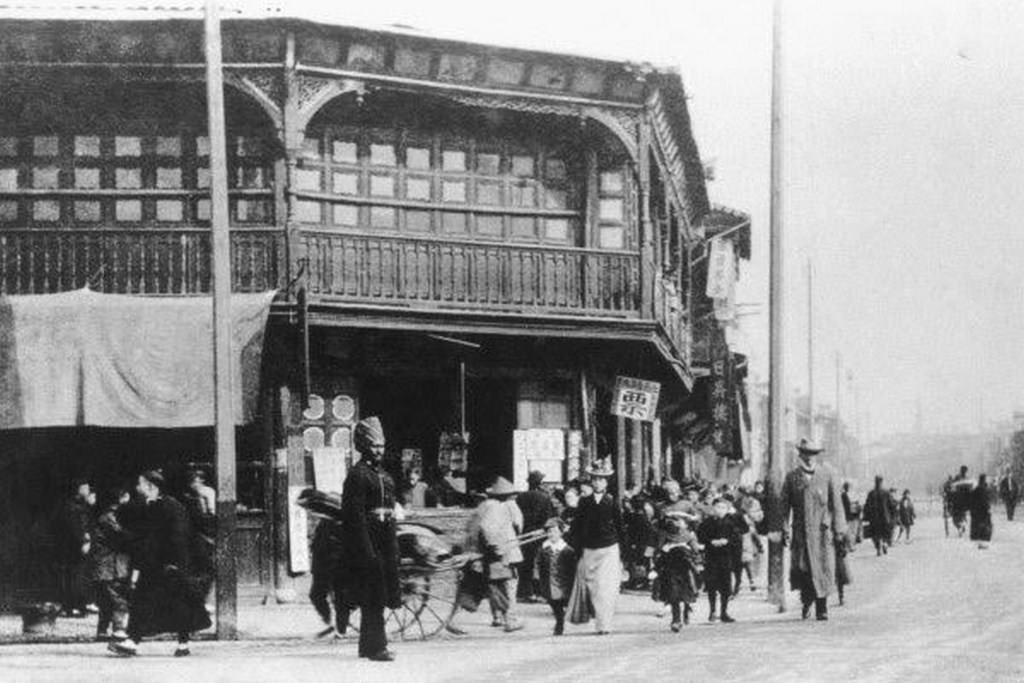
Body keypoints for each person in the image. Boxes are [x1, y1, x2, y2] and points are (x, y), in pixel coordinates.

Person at [108, 470, 211, 657]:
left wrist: (176, 563)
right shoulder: (147, 506)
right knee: (142, 601)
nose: (137, 487)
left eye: (140, 483)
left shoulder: (172, 507)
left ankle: (182, 643)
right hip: (151, 564)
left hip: (169, 565)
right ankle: (133, 640)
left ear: (151, 486)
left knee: (179, 603)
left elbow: (179, 537)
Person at [337, 416, 401, 661]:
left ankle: (367, 646)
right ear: (363, 446)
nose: (379, 450)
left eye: (382, 446)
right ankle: (377, 647)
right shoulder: (358, 475)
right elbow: (355, 516)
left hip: (385, 540)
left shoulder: (384, 476)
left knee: (378, 594)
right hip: (368, 543)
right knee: (373, 595)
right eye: (374, 445)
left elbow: (391, 510)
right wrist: (367, 551)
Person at [770, 438, 846, 622]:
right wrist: (784, 528)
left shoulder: (827, 475)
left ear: (817, 456)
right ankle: (806, 601)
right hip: (801, 532)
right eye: (806, 453)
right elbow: (784, 506)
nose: (809, 457)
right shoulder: (792, 477)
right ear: (800, 455)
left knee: (823, 568)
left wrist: (839, 530)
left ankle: (822, 607)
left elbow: (836, 504)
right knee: (803, 570)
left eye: (813, 454)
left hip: (822, 533)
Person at [567, 459, 623, 635]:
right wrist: (575, 547)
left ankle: (604, 624)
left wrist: (625, 553)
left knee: (606, 586)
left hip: (609, 547)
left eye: (601, 479)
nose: (598, 482)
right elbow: (577, 525)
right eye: (595, 479)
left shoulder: (613, 501)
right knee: (593, 587)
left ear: (606, 482)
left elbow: (620, 527)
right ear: (591, 481)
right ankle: (599, 619)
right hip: (589, 548)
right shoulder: (584, 502)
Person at [88, 486, 131, 642]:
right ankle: (118, 631)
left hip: (106, 565)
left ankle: (102, 631)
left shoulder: (107, 517)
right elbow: (121, 536)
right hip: (109, 566)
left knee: (106, 601)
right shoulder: (110, 518)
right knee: (117, 599)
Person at [305, 496, 349, 639]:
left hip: (335, 564)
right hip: (321, 565)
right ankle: (329, 623)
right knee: (316, 595)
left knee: (341, 597)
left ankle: (341, 629)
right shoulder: (324, 522)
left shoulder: (337, 523)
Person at [697, 496, 744, 623]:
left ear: (727, 509)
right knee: (711, 585)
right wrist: (711, 542)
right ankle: (712, 611)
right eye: (718, 507)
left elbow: (738, 536)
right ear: (713, 508)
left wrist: (727, 541)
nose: (720, 510)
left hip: (726, 556)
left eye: (723, 507)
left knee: (725, 586)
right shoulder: (706, 523)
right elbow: (700, 536)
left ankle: (724, 612)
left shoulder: (731, 522)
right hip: (711, 556)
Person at [652, 515, 702, 631]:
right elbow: (657, 550)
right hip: (669, 570)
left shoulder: (689, 535)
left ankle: (685, 609)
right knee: (673, 594)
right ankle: (676, 619)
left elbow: (696, 551)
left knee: (685, 594)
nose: (677, 524)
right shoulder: (663, 535)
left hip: (685, 570)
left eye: (679, 521)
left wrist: (693, 556)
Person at [57, 479, 96, 618]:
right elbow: (79, 526)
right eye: (85, 488)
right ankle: (76, 605)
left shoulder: (74, 505)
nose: (88, 490)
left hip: (72, 545)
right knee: (77, 575)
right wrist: (84, 541)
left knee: (74, 575)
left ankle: (74, 605)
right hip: (75, 546)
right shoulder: (77, 507)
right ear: (79, 489)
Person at [515, 470, 556, 602]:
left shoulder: (520, 497)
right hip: (540, 534)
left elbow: (517, 517)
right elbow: (548, 517)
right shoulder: (545, 497)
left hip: (524, 534)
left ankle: (524, 593)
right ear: (540, 483)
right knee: (541, 564)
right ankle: (541, 593)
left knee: (525, 564)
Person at [533, 517, 576, 636]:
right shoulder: (543, 549)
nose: (551, 534)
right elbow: (537, 562)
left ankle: (562, 619)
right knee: (554, 603)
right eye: (549, 532)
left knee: (563, 601)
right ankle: (559, 622)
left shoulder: (567, 550)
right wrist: (536, 574)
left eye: (554, 531)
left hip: (563, 583)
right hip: (548, 582)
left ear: (561, 533)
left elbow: (573, 568)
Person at [862, 476, 894, 556]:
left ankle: (879, 547)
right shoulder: (886, 493)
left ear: (875, 482)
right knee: (885, 533)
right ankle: (884, 544)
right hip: (885, 518)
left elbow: (867, 506)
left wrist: (865, 516)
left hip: (874, 518)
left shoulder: (871, 493)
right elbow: (891, 505)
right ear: (881, 482)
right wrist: (892, 515)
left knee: (875, 534)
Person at [970, 474, 993, 549]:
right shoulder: (983, 489)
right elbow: (985, 501)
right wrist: (988, 508)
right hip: (982, 511)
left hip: (976, 511)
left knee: (978, 527)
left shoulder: (976, 489)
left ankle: (978, 541)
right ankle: (982, 544)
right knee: (985, 527)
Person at [950, 465, 971, 537]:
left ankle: (960, 526)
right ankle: (961, 525)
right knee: (962, 516)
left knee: (956, 518)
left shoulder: (957, 478)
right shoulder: (967, 479)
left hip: (957, 501)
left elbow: (952, 488)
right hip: (964, 502)